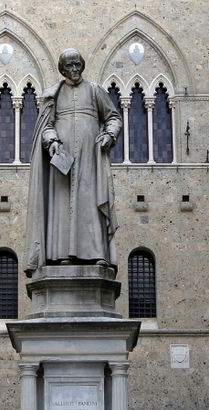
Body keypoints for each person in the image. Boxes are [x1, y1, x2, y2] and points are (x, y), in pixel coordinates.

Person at [23, 48, 122, 276]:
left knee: (90, 202)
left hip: (90, 157)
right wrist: (52, 141)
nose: (74, 69)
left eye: (77, 64)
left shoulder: (95, 91)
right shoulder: (54, 95)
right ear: (62, 69)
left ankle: (97, 254)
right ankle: (61, 256)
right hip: (62, 162)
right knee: (62, 206)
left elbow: (113, 117)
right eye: (69, 66)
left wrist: (109, 135)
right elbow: (46, 126)